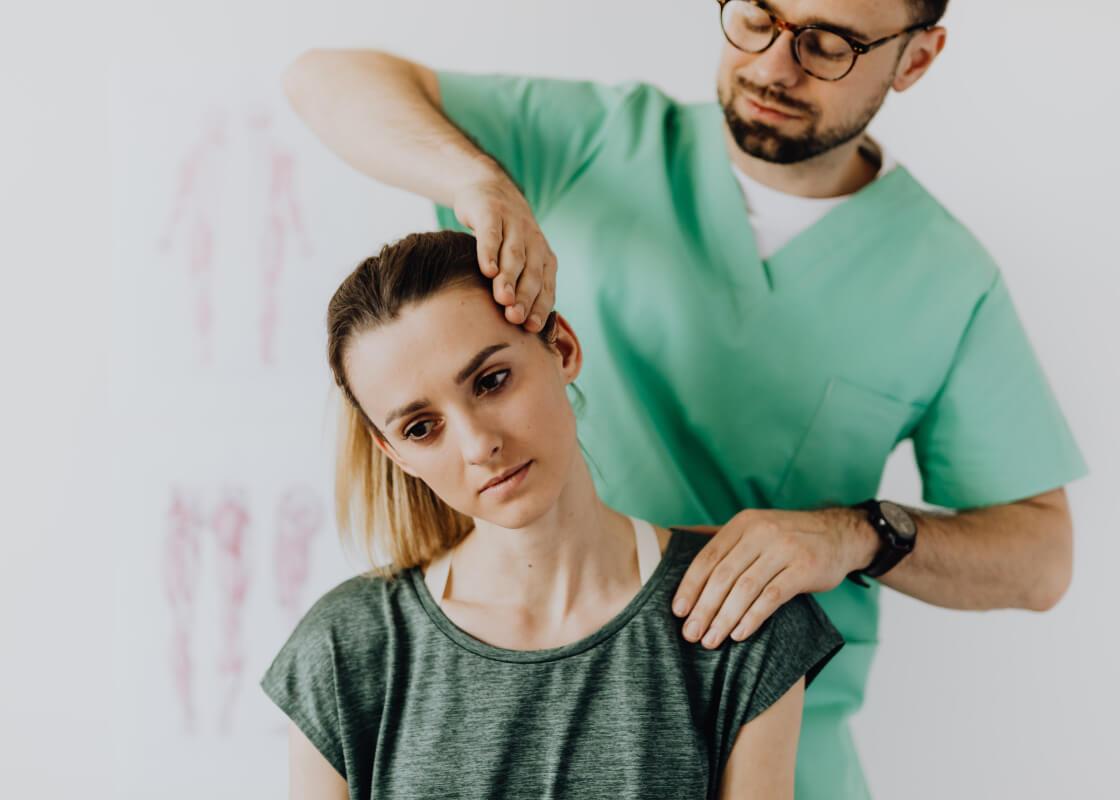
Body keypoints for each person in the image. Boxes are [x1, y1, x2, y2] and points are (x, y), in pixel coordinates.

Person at [281, 0, 1087, 795]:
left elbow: (1041, 562)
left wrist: (853, 536)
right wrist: (476, 180)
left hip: (775, 732)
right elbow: (323, 77)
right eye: (757, 17)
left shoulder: (946, 279)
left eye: (829, 43)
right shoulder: (592, 143)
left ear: (916, 57)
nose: (773, 64)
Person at [260, 230, 844, 799]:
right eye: (421, 428)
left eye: (491, 381)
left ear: (561, 347)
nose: (476, 444)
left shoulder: (740, 614)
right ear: (396, 455)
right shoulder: (344, 649)